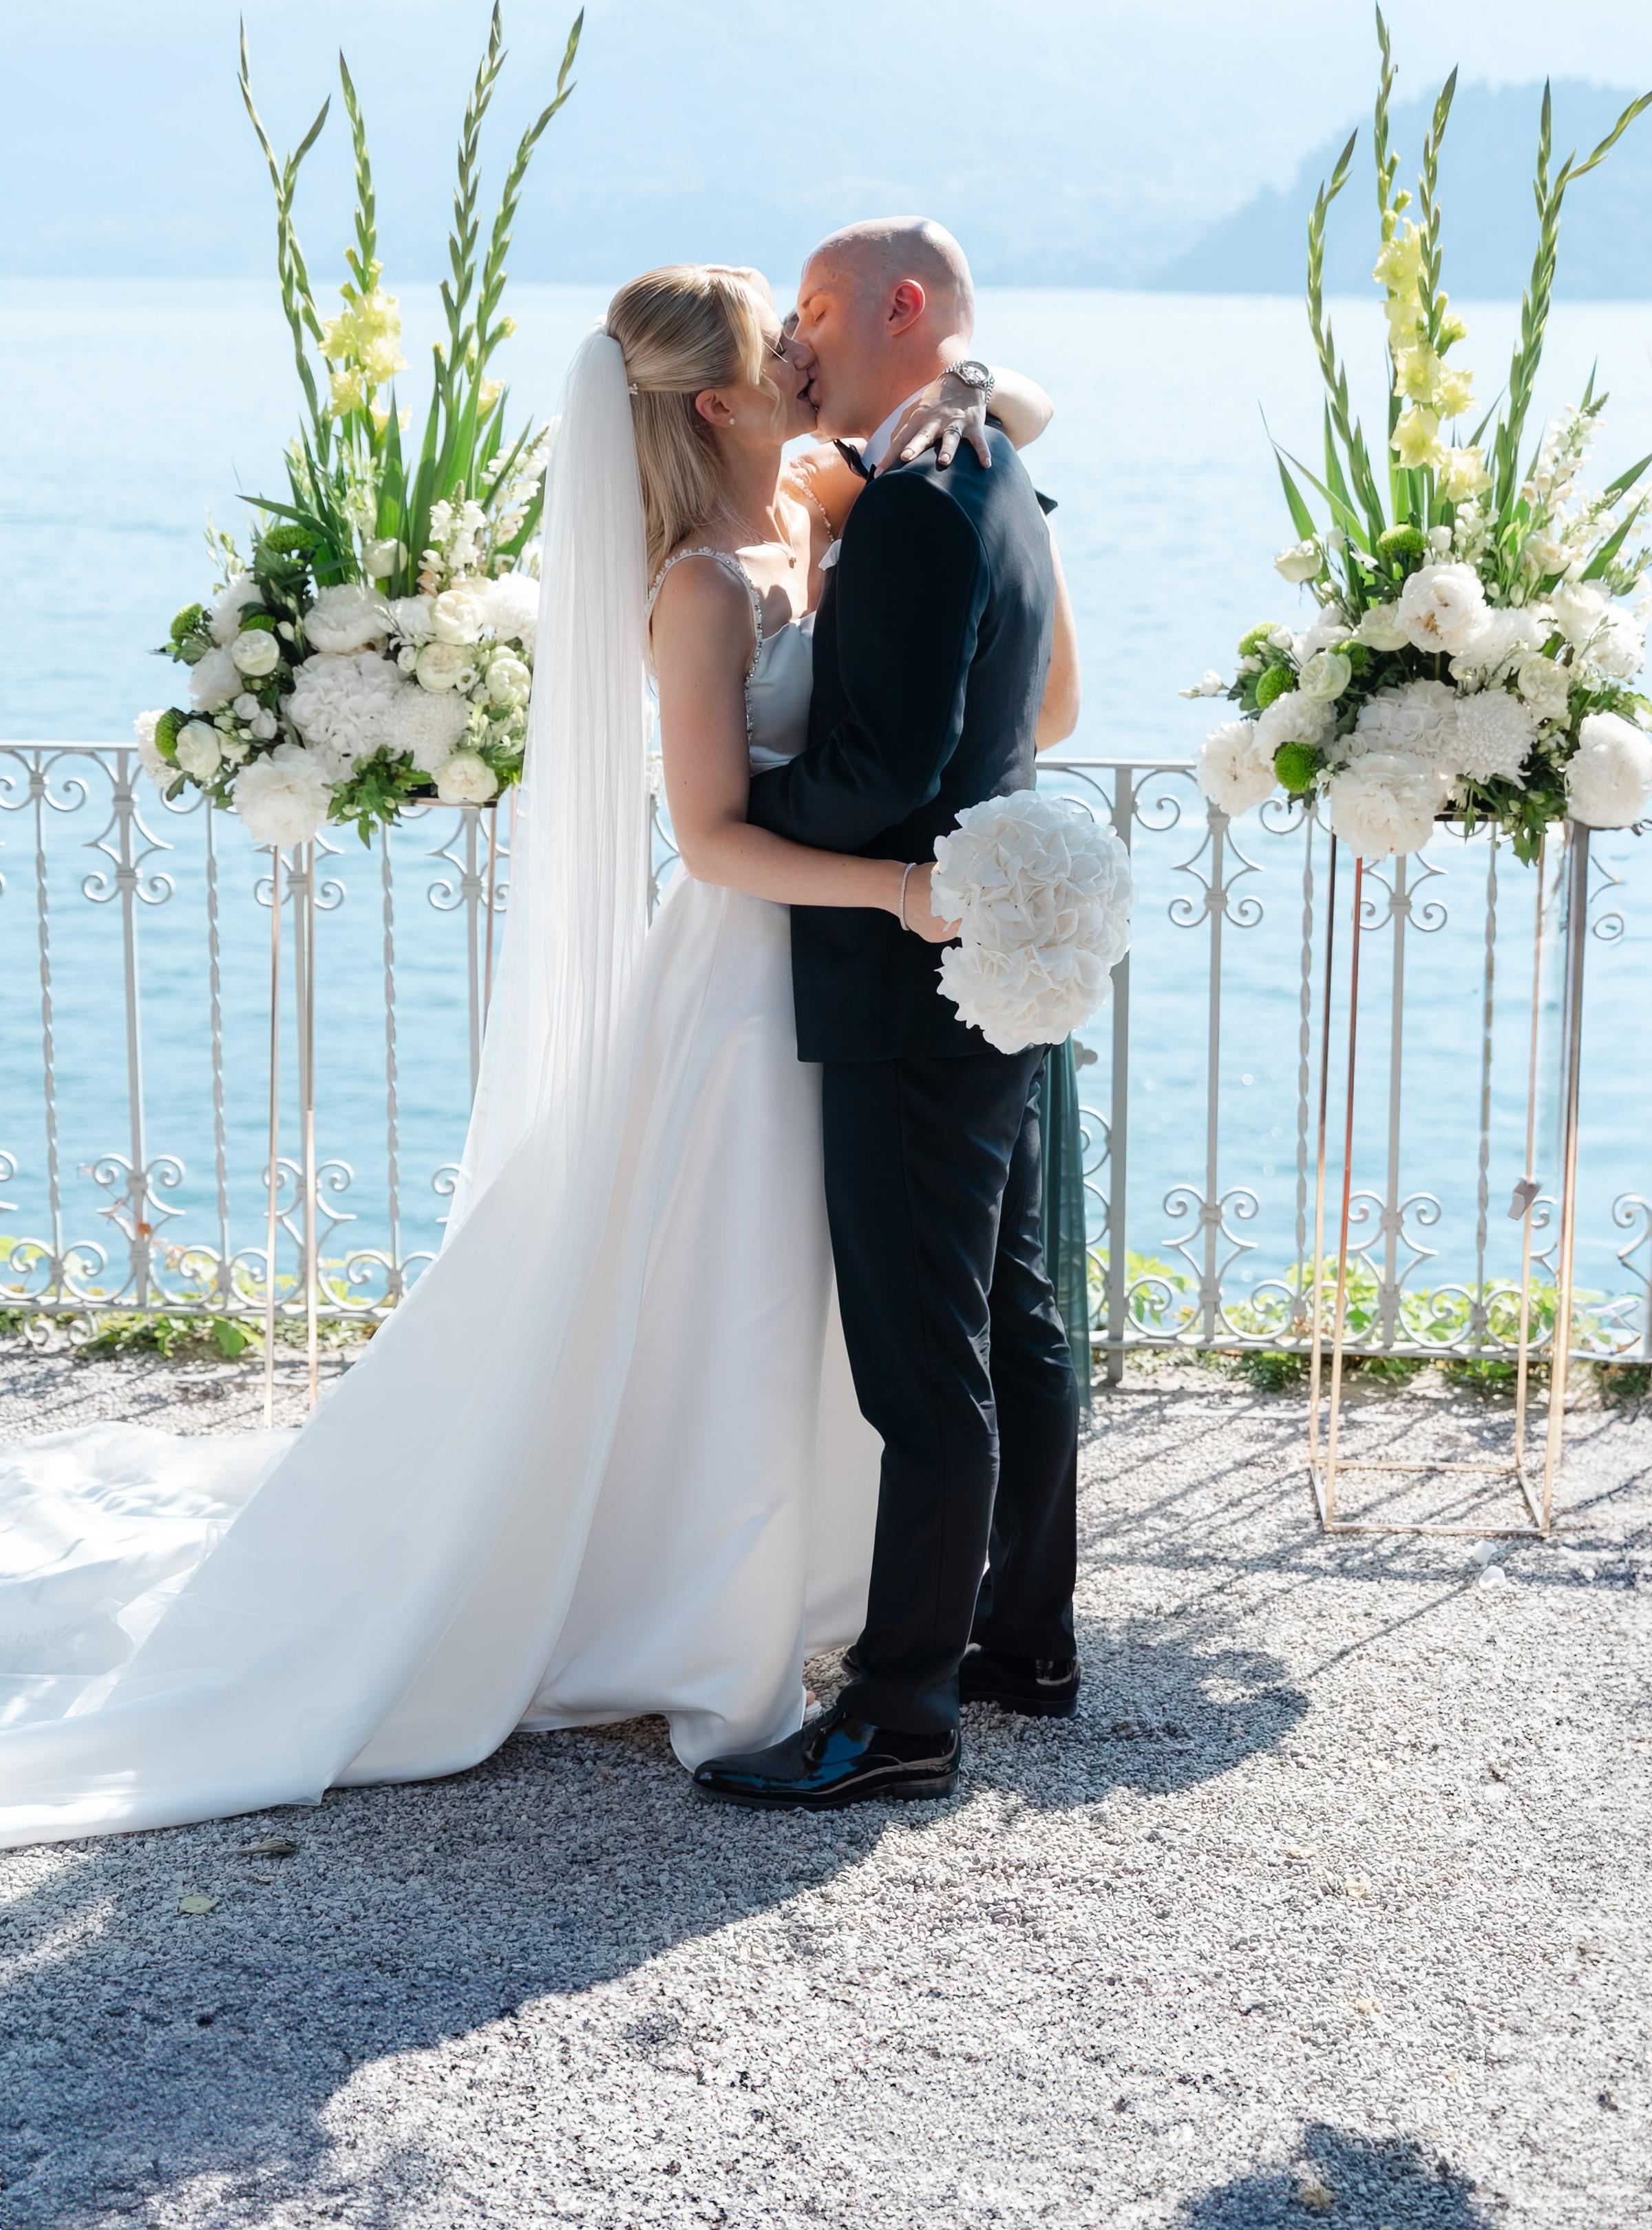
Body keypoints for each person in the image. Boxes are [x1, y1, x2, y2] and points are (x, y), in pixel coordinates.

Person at [0, 260, 1074, 1847]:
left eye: (809, 328)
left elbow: (996, 413)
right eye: (776, 343)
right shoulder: (699, 582)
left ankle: (904, 1626)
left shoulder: (822, 498)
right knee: (743, 1300)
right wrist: (901, 886)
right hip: (753, 976)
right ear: (712, 397)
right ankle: (698, 1601)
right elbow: (709, 840)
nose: (801, 351)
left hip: (858, 988)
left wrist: (967, 389)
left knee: (894, 1313)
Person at [692, 218, 1083, 1818]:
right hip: (997, 942)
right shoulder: (987, 465)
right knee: (1007, 1311)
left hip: (913, 967)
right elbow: (1029, 710)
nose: (792, 341)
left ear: (895, 309)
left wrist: (744, 808)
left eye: (810, 313)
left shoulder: (919, 504)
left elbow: (888, 773)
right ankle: (1022, 1642)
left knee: (920, 1368)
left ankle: (902, 1714)